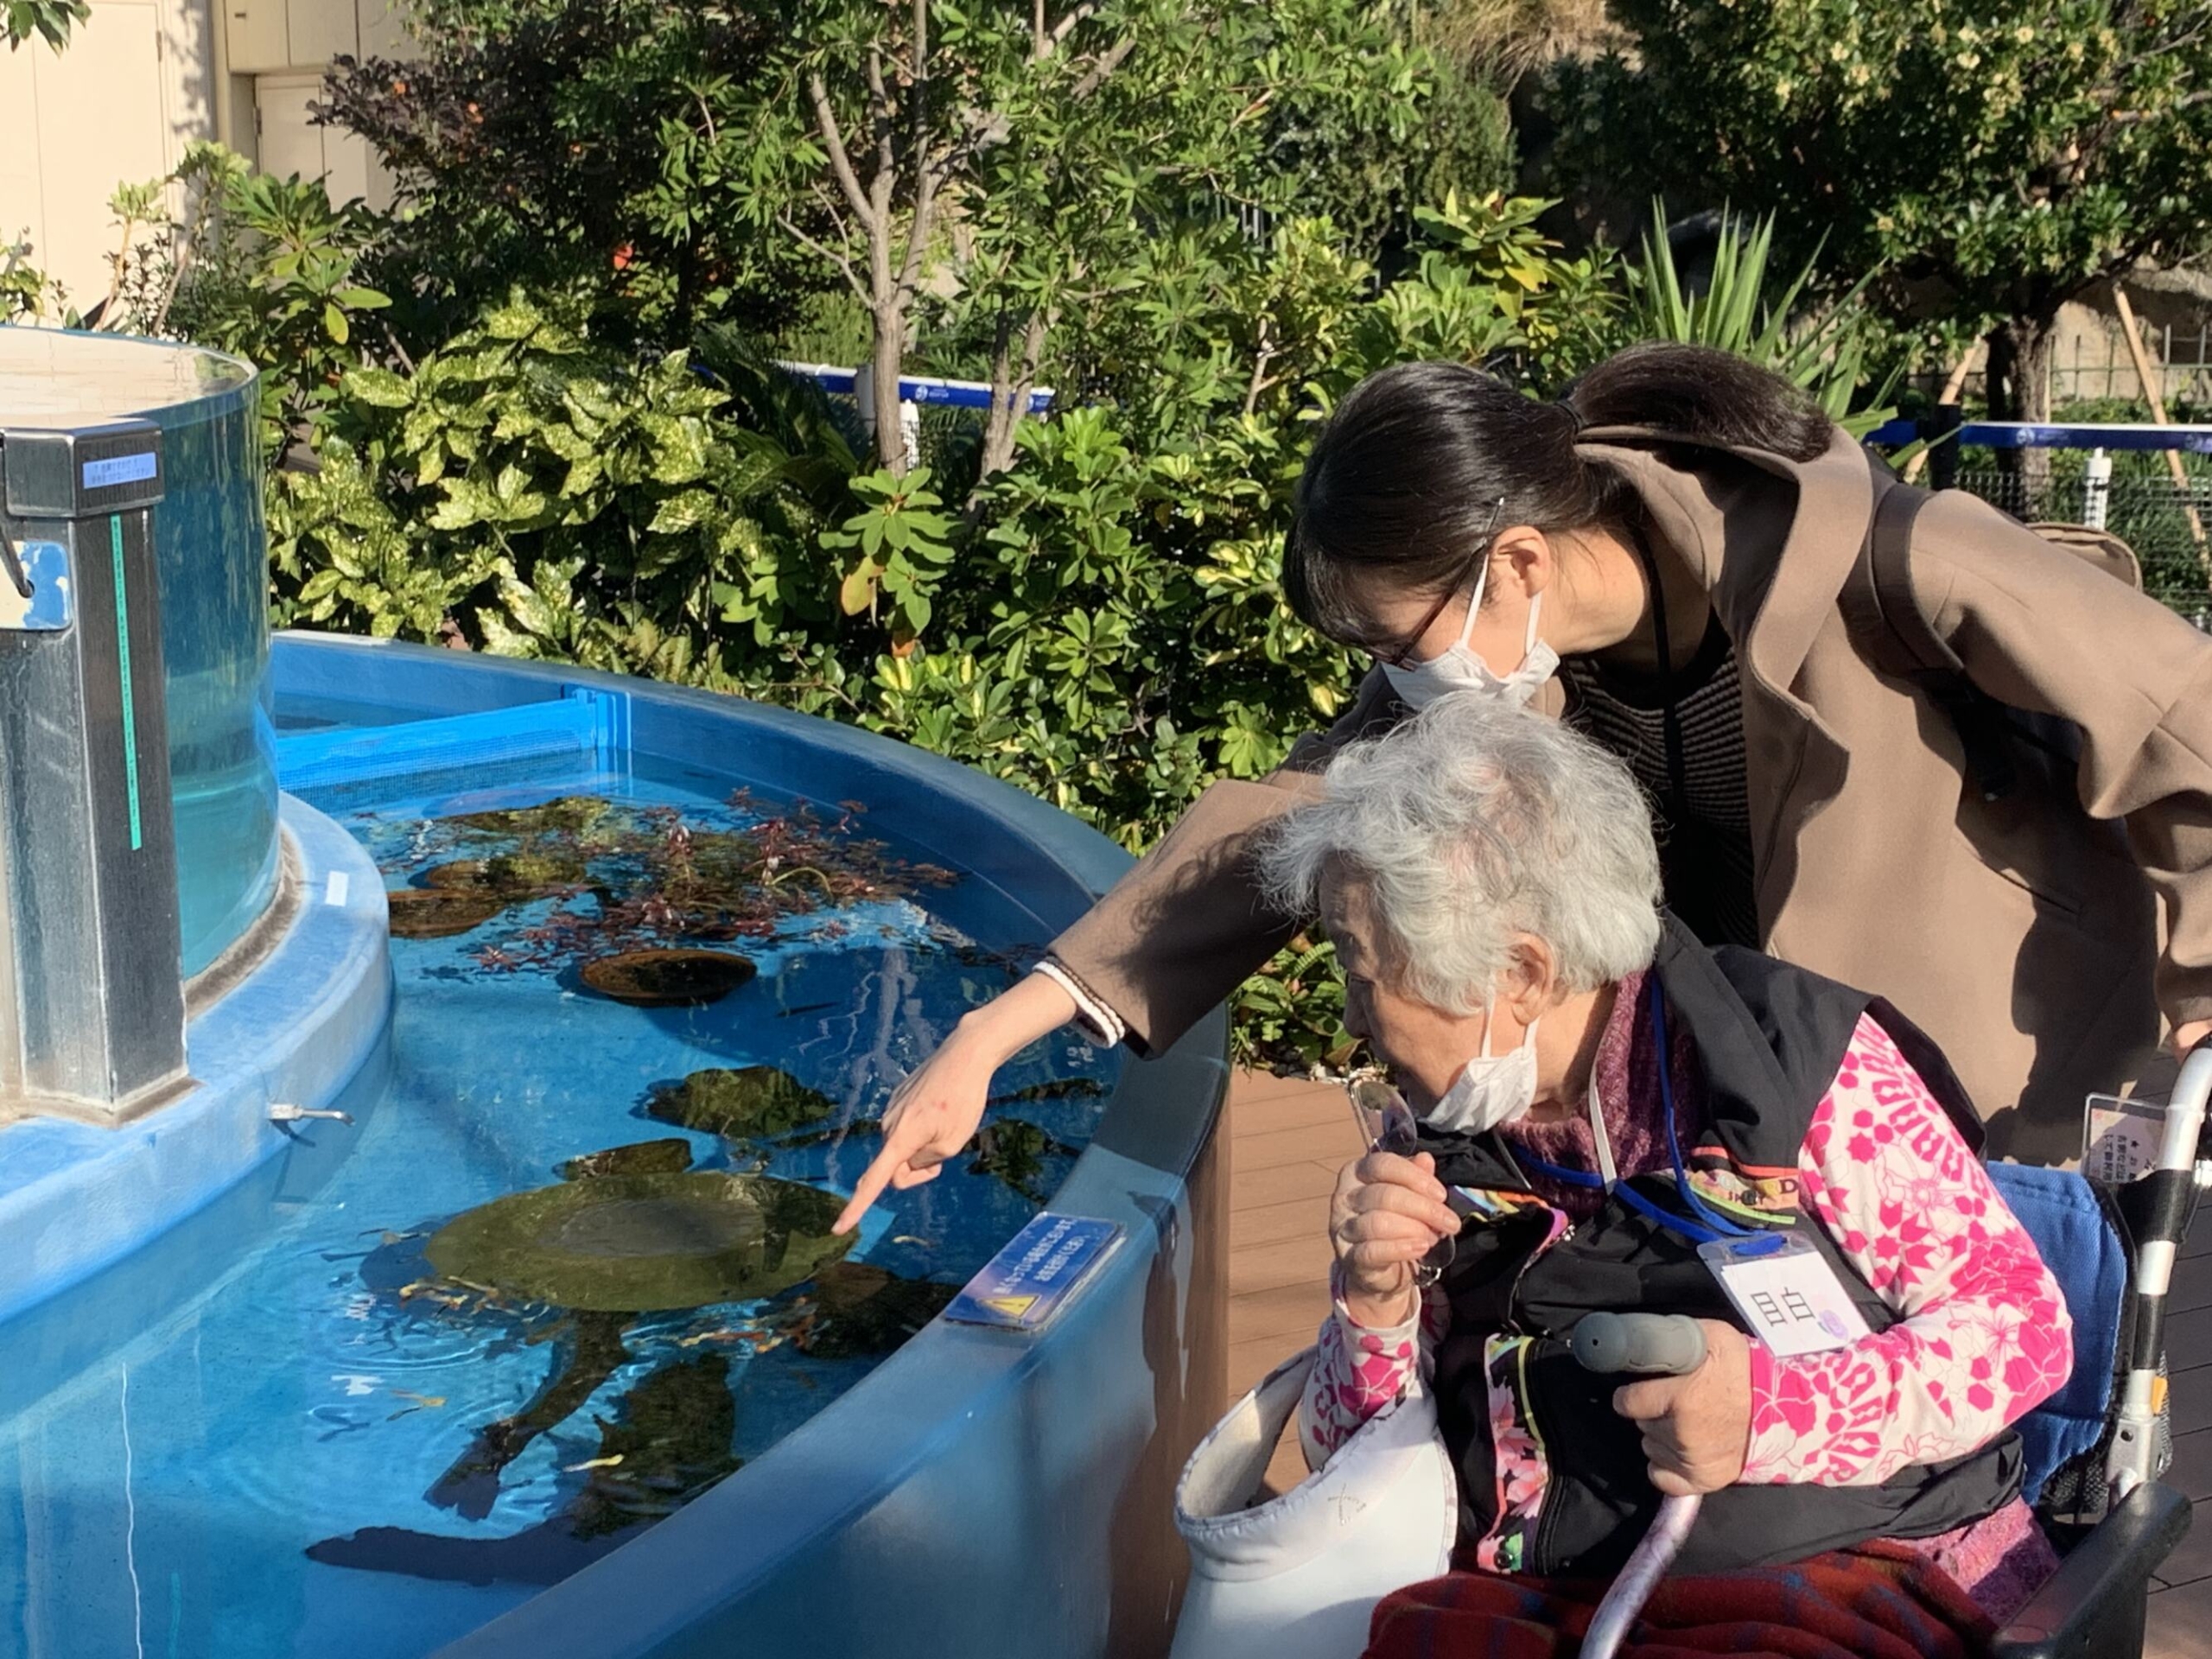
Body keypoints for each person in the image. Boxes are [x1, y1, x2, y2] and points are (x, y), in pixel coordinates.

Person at [836, 342, 2212, 1234]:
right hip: (1768, 1109)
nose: (1394, 682)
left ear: (1521, 562)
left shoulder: (1882, 565)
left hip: (2000, 1073)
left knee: (2023, 1416)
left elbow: (2183, 720)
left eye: (1395, 642)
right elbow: (1289, 813)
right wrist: (994, 1034)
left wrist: (2202, 1000)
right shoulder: (1492, 646)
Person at [1267, 697, 2071, 1622]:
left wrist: (1771, 1412)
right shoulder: (1437, 1135)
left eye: (1363, 976)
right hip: (1554, 1583)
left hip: (1845, 1560)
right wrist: (1372, 1299)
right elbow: (1339, 1459)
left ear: (1521, 975)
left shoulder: (1791, 1064)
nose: (1348, 1020)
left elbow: (2023, 1329)